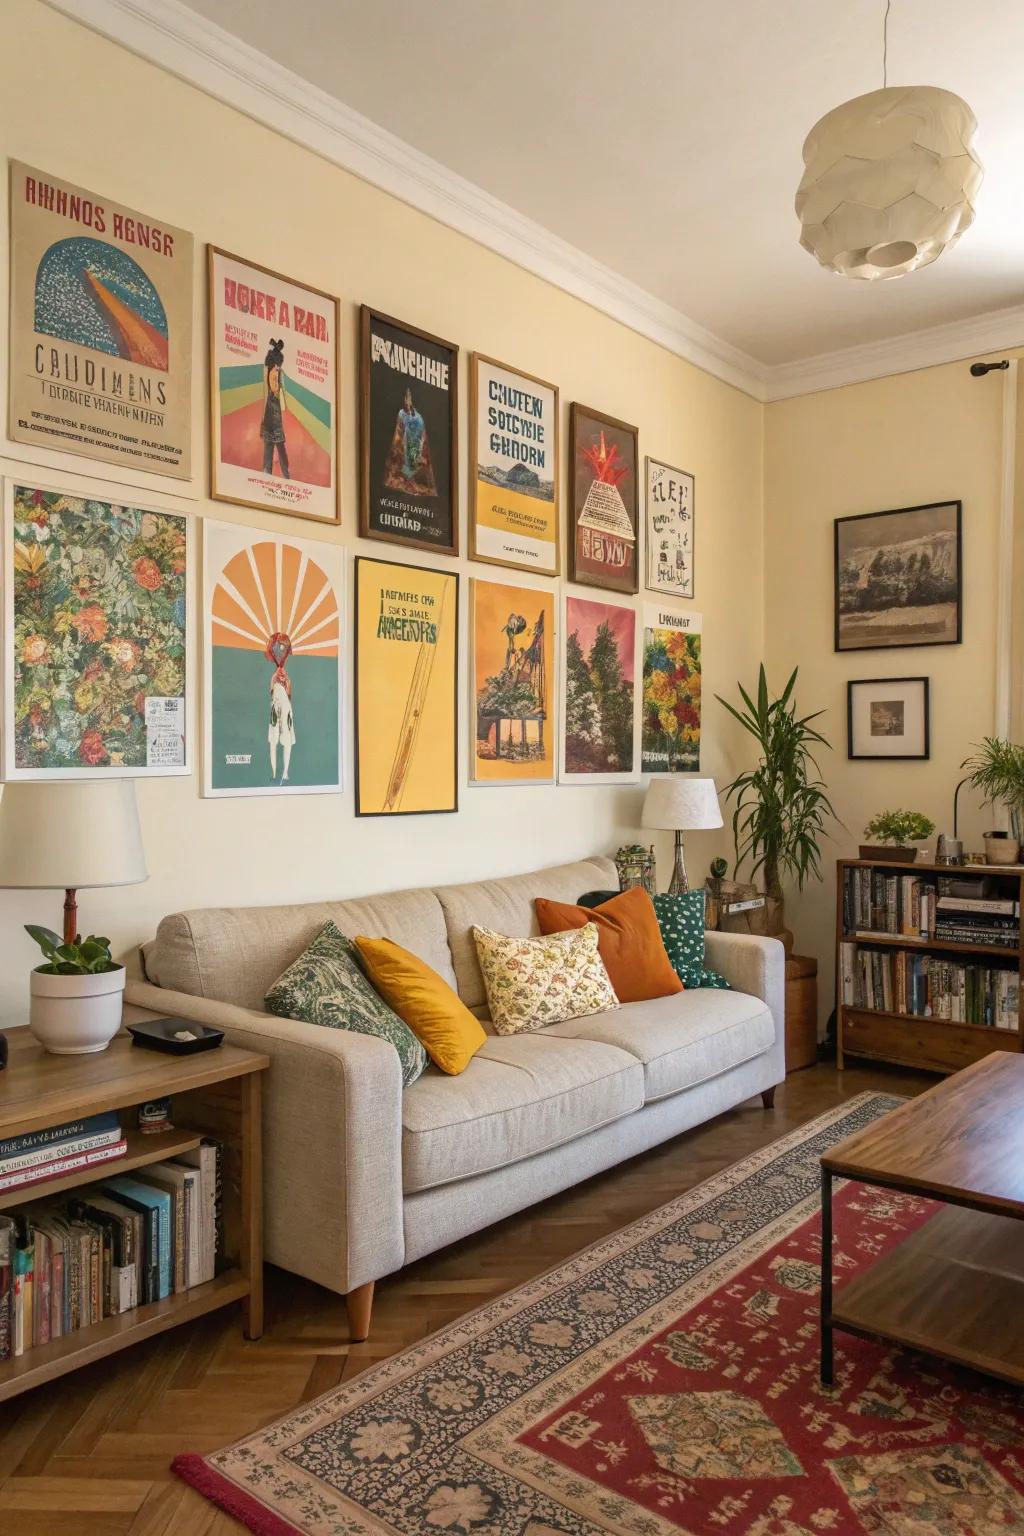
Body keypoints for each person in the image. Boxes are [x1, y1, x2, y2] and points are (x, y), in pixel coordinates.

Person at [260, 338, 290, 479]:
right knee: (271, 451)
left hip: (273, 419)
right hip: (271, 420)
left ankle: (285, 476)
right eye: (275, 376)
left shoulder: (275, 374)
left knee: (276, 451)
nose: (277, 379)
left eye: (278, 375)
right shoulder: (269, 373)